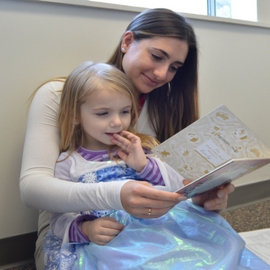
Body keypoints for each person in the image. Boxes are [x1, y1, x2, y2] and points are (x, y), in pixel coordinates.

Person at [20, 8, 235, 270]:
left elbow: (172, 182)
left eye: (174, 68)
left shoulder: (166, 107)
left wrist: (200, 197)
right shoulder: (60, 95)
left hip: (152, 225)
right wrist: (116, 195)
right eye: (157, 56)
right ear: (127, 42)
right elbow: (32, 188)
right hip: (81, 225)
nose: (161, 74)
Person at [44, 61, 189, 268]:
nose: (117, 123)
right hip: (109, 244)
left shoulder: (140, 149)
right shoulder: (68, 163)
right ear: (75, 115)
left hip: (156, 234)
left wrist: (144, 165)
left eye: (124, 111)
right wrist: (87, 229)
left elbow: (177, 187)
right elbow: (58, 218)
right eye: (103, 113)